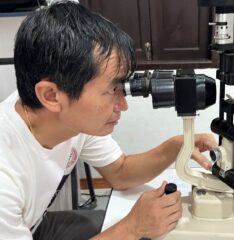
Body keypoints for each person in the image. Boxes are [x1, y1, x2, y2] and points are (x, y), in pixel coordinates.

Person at [0, 1, 217, 240]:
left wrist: (177, 145)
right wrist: (132, 228)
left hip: (35, 224)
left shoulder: (70, 120)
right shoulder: (5, 174)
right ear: (51, 95)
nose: (123, 105)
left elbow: (120, 172)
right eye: (111, 90)